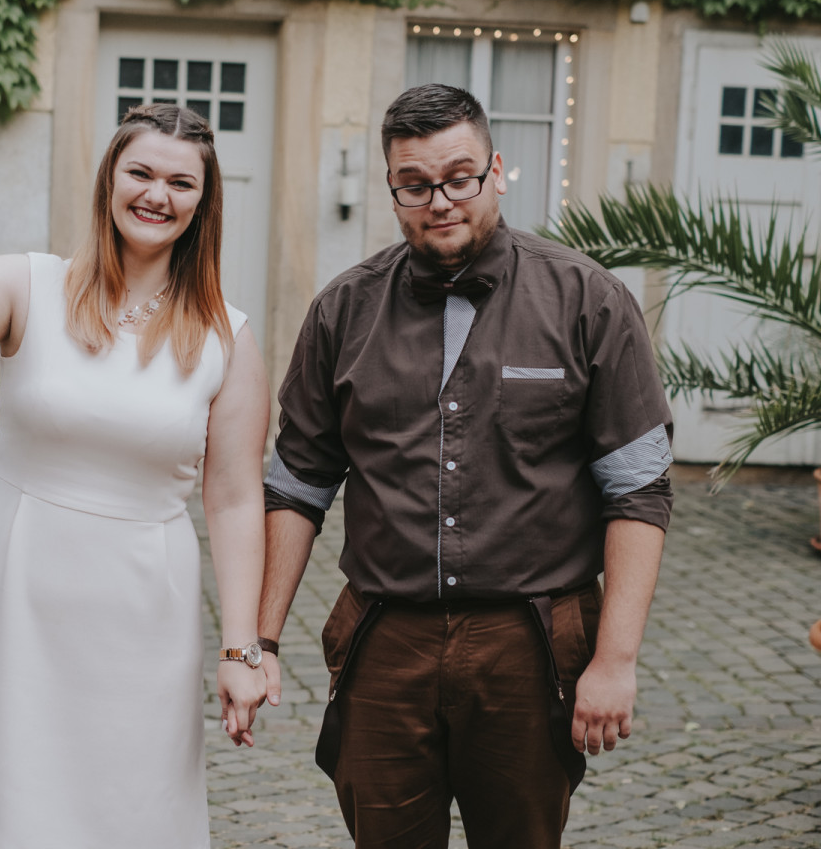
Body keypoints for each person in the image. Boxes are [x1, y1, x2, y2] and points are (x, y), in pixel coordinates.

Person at [0, 96, 270, 849]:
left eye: (180, 184)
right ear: (110, 180)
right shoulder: (27, 287)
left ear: (203, 203)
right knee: (7, 808)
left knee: (126, 810)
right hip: (13, 586)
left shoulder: (226, 335)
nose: (156, 196)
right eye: (140, 172)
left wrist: (241, 651)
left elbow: (234, 499)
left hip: (142, 608)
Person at [255, 84, 674, 849]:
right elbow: (296, 485)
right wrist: (260, 643)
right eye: (414, 185)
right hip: (384, 640)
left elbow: (638, 493)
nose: (439, 200)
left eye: (459, 177)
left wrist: (614, 660)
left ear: (497, 171)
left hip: (532, 641)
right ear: (392, 188)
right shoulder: (341, 311)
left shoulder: (590, 302)